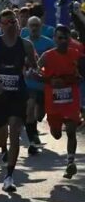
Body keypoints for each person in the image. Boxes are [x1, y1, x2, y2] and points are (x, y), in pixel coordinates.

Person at [0, 9, 38, 192]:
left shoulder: (26, 45)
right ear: (1, 26)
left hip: (16, 95)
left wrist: (32, 72)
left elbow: (34, 67)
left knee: (15, 130)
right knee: (0, 139)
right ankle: (2, 148)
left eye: (14, 22)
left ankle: (9, 176)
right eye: (8, 22)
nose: (13, 25)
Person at [38, 25, 81, 179]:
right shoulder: (47, 56)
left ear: (69, 39)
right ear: (54, 39)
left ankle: (70, 162)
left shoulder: (76, 54)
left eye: (65, 38)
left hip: (71, 99)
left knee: (70, 130)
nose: (62, 41)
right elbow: (36, 71)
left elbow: (81, 73)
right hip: (53, 101)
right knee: (56, 134)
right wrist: (48, 79)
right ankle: (54, 127)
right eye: (59, 38)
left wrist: (74, 77)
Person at [22, 16, 55, 155]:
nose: (34, 28)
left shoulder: (48, 43)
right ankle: (32, 141)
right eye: (32, 25)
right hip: (28, 84)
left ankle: (34, 129)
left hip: (43, 84)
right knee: (30, 108)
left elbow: (54, 62)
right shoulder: (23, 42)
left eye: (37, 25)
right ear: (28, 27)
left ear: (41, 27)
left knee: (40, 114)